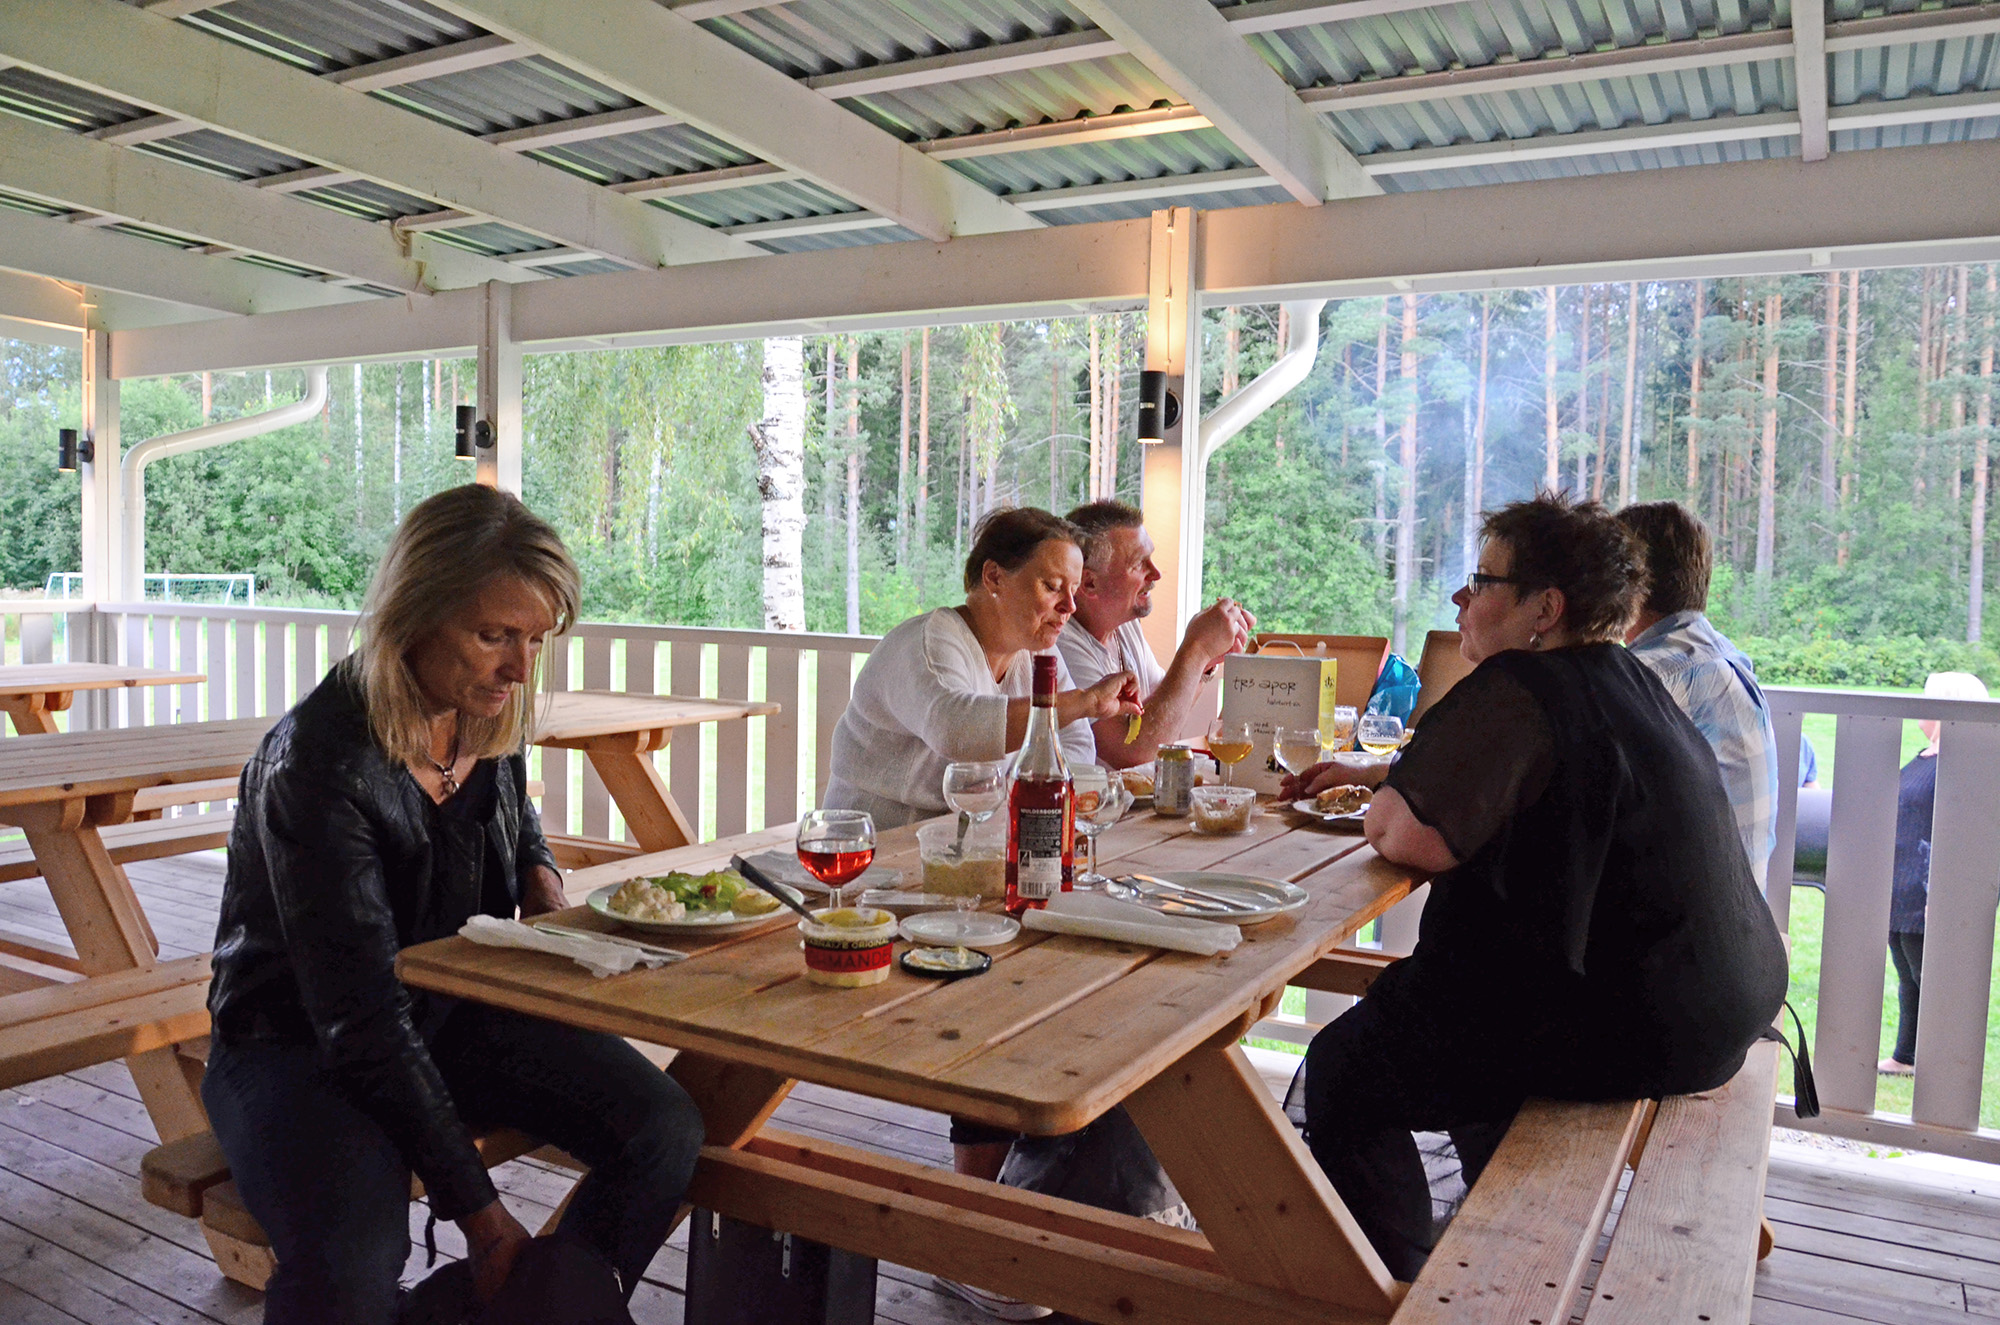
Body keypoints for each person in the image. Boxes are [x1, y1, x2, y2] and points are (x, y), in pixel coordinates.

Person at [203, 486, 706, 1323]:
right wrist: (484, 1219)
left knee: (664, 1128)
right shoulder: (319, 763)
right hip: (297, 1044)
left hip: (451, 1009)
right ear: (413, 615)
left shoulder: (481, 714)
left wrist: (539, 871)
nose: (520, 668)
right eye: (494, 635)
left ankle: (529, 1307)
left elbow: (512, 815)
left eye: (536, 639)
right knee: (355, 1255)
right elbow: (362, 1020)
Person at [1281, 492, 1788, 1281]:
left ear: (1543, 609)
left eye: (1483, 580)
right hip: (1720, 1006)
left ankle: (1390, 1284)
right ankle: (1467, 1251)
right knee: (1460, 1039)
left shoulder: (1522, 685)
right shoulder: (1630, 676)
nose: (1462, 598)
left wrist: (1387, 799)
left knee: (1345, 1067)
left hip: (1636, 1025)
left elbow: (1403, 832)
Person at [824, 506, 1138, 830]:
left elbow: (1076, 745)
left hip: (978, 836)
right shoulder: (930, 642)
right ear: (994, 577)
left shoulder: (1038, 653)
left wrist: (1018, 792)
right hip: (874, 839)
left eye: (1073, 590)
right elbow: (956, 730)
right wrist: (1086, 701)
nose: (1070, 606)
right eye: (1052, 586)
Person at [1615, 502, 1782, 890]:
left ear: (1628, 582)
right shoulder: (1719, 656)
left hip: (1684, 921)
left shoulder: (1652, 678)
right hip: (1741, 912)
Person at [1056, 500, 1254, 766]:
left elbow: (1163, 708)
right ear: (1089, 582)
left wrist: (1207, 661)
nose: (1157, 574)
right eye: (1139, 564)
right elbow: (1133, 751)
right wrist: (1197, 648)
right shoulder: (1061, 643)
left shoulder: (1124, 625)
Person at [1879, 670, 1989, 1075]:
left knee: (1930, 977)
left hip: (1926, 888)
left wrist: (1941, 892)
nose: (1920, 706)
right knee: (1908, 976)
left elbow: (1961, 832)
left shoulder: (1963, 764)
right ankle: (1906, 1056)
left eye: (1928, 698)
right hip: (1900, 884)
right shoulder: (1926, 756)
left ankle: (1943, 1065)